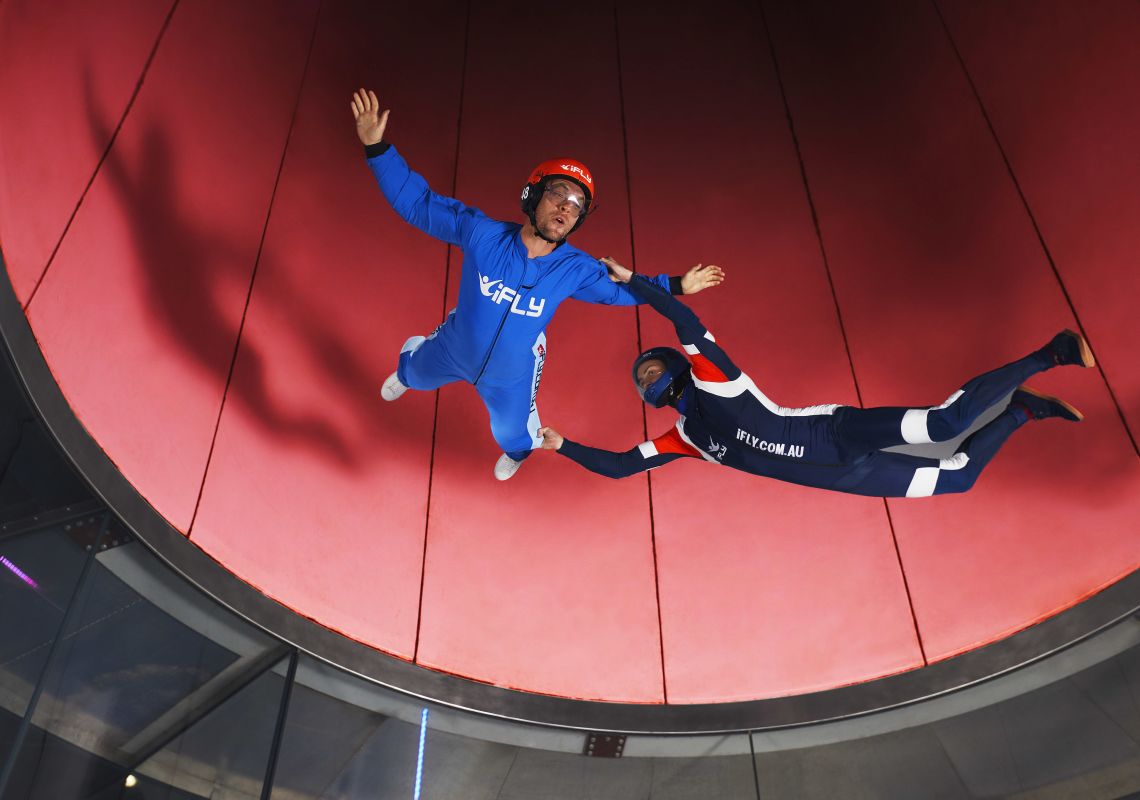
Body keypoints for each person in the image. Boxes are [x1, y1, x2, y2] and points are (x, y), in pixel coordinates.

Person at [350, 89, 723, 480]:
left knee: (518, 439)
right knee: (413, 374)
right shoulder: (482, 234)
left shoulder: (576, 269)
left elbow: (622, 291)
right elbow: (419, 204)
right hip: (454, 346)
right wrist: (376, 147)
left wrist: (678, 284)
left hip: (511, 373)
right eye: (558, 193)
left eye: (577, 203)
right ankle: (417, 354)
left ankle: (516, 448)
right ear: (532, 195)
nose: (566, 206)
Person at [538, 258, 1095, 497]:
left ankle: (1052, 353)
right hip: (844, 479)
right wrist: (559, 444)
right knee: (959, 478)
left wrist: (636, 281)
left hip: (838, 434)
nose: (648, 377)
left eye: (653, 366)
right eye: (643, 379)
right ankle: (1024, 408)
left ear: (678, 365)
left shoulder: (717, 380)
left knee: (946, 421)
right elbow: (615, 468)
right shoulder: (682, 441)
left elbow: (683, 319)